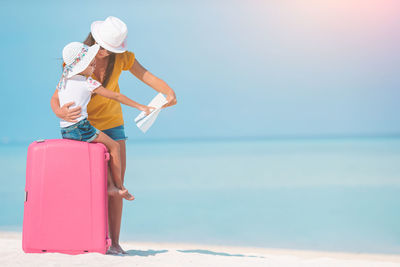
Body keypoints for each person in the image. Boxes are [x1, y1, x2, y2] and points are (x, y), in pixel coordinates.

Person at [50, 16, 177, 254]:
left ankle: (115, 242)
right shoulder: (79, 57)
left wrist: (169, 92)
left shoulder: (122, 58)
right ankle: (84, 237)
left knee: (117, 184)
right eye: (103, 49)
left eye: (110, 50)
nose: (105, 54)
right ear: (94, 41)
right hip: (83, 125)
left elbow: (146, 75)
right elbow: (56, 95)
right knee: (85, 185)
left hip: (113, 124)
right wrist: (59, 112)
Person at [56, 41, 155, 202]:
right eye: (91, 64)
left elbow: (57, 100)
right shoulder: (88, 82)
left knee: (103, 151)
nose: (94, 67)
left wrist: (60, 111)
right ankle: (118, 187)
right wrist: (140, 106)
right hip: (81, 128)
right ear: (82, 66)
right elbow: (115, 96)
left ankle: (109, 185)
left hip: (65, 129)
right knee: (114, 146)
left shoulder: (65, 78)